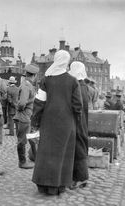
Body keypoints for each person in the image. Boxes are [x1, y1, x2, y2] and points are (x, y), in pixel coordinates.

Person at [31, 50, 83, 195]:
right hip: (66, 123)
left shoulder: (46, 79)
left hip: (48, 122)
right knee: (63, 153)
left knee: (46, 152)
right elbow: (78, 106)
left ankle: (42, 184)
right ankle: (58, 186)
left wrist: (35, 121)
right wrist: (76, 122)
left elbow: (39, 102)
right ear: (66, 62)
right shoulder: (73, 81)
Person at [13, 64, 39, 169]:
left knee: (32, 138)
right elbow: (22, 103)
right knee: (22, 140)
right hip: (23, 116)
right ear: (34, 75)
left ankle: (37, 158)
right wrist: (20, 108)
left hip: (28, 116)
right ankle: (22, 162)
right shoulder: (26, 86)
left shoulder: (28, 85)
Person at [68, 61, 89, 189]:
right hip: (82, 120)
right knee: (79, 146)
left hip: (78, 121)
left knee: (79, 148)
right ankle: (78, 176)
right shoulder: (83, 85)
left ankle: (81, 178)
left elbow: (77, 106)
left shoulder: (78, 87)